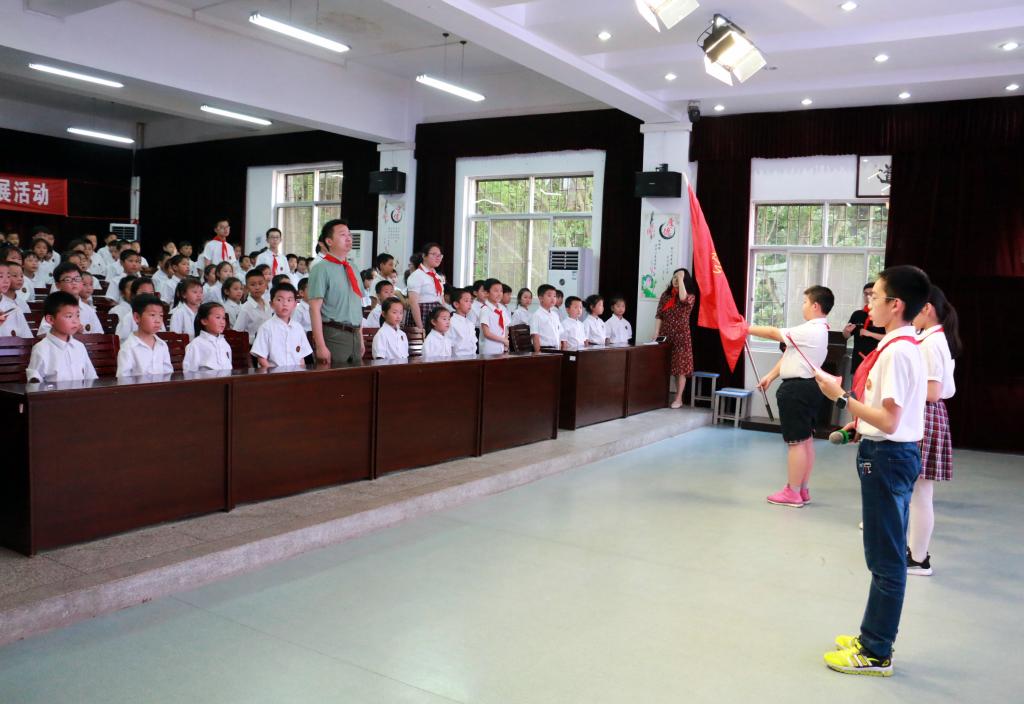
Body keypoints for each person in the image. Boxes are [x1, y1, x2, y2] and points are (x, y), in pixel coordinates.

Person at [814, 265, 930, 677]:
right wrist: (858, 424)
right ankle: (871, 637)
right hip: (889, 455)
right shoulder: (902, 345)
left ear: (896, 304)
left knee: (886, 560)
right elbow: (889, 414)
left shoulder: (897, 352)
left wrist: (841, 396)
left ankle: (876, 651)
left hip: (888, 457)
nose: (869, 305)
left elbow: (890, 422)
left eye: (875, 298)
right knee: (883, 554)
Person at [749, 285, 835, 507]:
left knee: (796, 443)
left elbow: (772, 333)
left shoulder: (810, 329)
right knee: (805, 441)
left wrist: (745, 328)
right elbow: (791, 354)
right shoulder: (820, 329)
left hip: (797, 390)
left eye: (805, 302)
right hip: (809, 387)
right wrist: (770, 376)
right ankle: (802, 489)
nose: (802, 306)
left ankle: (793, 492)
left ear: (815, 306)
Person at [907, 285, 962, 577]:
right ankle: (916, 553)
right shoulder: (932, 337)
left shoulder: (930, 343)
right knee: (919, 491)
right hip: (928, 414)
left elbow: (932, 392)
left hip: (925, 414)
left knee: (920, 492)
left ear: (926, 308)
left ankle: (918, 558)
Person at [308, 219, 365, 367]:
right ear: (329, 241)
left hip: (355, 335)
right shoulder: (320, 268)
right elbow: (314, 308)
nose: (348, 238)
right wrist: (320, 346)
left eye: (349, 235)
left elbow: (357, 305)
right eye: (342, 235)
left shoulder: (353, 268)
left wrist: (360, 337)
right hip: (334, 334)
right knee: (335, 379)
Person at [26, 292, 98, 383]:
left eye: (77, 315)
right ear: (50, 319)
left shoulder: (80, 346)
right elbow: (34, 383)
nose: (75, 321)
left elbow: (91, 378)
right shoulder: (41, 348)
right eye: (69, 316)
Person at [654, 268, 697, 408]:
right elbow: (659, 315)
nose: (676, 279)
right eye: (674, 277)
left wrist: (680, 279)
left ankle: (678, 398)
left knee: (680, 368)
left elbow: (683, 298)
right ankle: (661, 396)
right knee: (663, 366)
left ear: (685, 281)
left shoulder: (690, 296)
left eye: (679, 277)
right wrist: (656, 332)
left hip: (681, 336)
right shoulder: (665, 295)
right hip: (665, 334)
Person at [250, 282, 311, 369]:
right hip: (273, 374)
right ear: (271, 304)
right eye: (279, 300)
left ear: (295, 304)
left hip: (295, 374)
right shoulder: (266, 328)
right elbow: (261, 358)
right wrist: (274, 374)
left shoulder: (298, 328)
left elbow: (301, 357)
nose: (285, 304)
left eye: (289, 300)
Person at [115, 294, 173, 377]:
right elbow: (123, 379)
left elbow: (168, 374)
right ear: (137, 317)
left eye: (161, 315)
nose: (158, 320)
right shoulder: (128, 348)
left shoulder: (162, 345)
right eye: (152, 315)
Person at [39, 263, 103, 335]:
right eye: (68, 279)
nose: (74, 282)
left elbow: (99, 336)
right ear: (58, 285)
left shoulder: (89, 310)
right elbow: (42, 334)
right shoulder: (54, 308)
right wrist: (68, 331)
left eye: (77, 279)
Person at [844, 281, 886, 376]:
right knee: (856, 385)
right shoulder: (857, 314)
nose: (868, 297)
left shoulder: (885, 315)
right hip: (858, 360)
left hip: (877, 360)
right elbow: (846, 336)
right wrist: (846, 331)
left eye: (871, 294)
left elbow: (890, 337)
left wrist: (870, 333)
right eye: (865, 294)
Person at [405, 243, 445, 330]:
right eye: (434, 254)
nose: (438, 258)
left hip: (437, 313)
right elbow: (413, 303)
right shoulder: (417, 276)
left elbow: (441, 299)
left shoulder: (437, 277)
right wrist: (420, 327)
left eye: (440, 255)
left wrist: (444, 317)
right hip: (423, 313)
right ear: (424, 256)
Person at [183, 302, 233, 372]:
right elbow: (189, 372)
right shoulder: (195, 345)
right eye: (218, 317)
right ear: (204, 321)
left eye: (224, 318)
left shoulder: (224, 343)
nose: (222, 322)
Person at [232, 269, 272, 344]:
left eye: (260, 283)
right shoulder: (246, 308)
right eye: (253, 285)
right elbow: (237, 333)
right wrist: (254, 338)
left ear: (266, 285)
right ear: (246, 288)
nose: (257, 287)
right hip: (253, 346)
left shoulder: (267, 304)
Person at [0, 261, 32, 338]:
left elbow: (27, 338)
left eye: (8, 276)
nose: (6, 281)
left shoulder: (15, 308)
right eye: (1, 276)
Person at [478, 278, 509, 355]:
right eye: (496, 291)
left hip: (501, 348)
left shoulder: (502, 308)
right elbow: (487, 333)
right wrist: (503, 340)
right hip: (489, 349)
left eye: (501, 291)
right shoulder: (485, 309)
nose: (499, 294)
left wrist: (505, 343)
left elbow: (505, 328)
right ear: (486, 293)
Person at [530, 284, 563, 352]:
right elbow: (535, 336)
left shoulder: (555, 315)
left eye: (554, 296)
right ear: (541, 298)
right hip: (544, 350)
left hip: (556, 349)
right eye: (549, 295)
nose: (553, 298)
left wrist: (560, 351)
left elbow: (559, 334)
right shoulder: (537, 315)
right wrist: (538, 354)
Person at [446, 288, 477, 356]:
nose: (470, 304)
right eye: (466, 301)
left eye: (470, 301)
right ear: (456, 304)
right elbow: (448, 346)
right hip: (457, 360)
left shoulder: (470, 323)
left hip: (472, 358)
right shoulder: (451, 323)